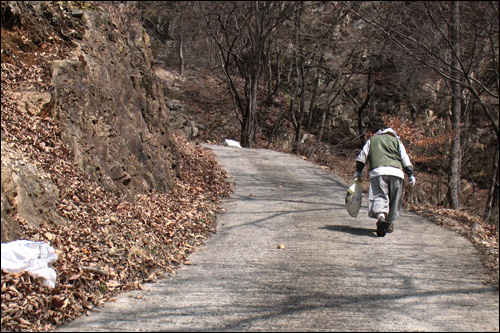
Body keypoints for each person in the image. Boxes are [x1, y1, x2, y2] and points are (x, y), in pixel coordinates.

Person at [354, 128, 416, 237]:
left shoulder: (372, 140)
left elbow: (362, 156)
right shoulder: (397, 142)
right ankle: (389, 223)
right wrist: (410, 174)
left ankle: (381, 217)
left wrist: (358, 172)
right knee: (394, 199)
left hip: (378, 172)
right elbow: (404, 158)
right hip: (396, 173)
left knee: (379, 196)